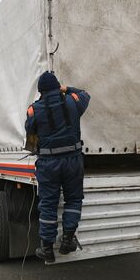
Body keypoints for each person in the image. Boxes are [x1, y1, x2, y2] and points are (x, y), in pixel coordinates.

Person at [25, 71, 90, 262]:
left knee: (48, 204)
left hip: (48, 164)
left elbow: (31, 139)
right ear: (57, 87)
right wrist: (66, 89)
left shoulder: (33, 110)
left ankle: (47, 249)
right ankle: (68, 240)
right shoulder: (73, 102)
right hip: (73, 161)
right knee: (74, 199)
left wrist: (34, 149)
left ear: (40, 92)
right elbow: (86, 94)